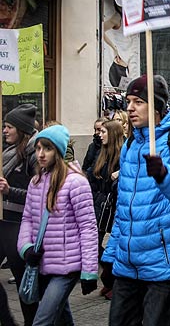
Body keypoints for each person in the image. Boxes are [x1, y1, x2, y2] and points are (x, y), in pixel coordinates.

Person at [102, 74, 170, 326]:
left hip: (167, 264)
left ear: (158, 106)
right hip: (129, 264)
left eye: (138, 101)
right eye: (129, 101)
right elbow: (125, 208)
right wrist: (110, 255)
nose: (129, 107)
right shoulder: (130, 145)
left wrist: (165, 175)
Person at [17, 125, 99, 325]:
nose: (41, 154)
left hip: (67, 266)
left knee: (42, 321)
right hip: (43, 263)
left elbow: (87, 227)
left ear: (59, 151)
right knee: (62, 319)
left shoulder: (76, 182)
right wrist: (26, 248)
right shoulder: (35, 181)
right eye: (38, 149)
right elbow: (27, 218)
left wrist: (89, 272)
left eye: (47, 148)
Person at [0, 104, 39, 325]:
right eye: (4, 126)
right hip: (3, 222)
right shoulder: (7, 152)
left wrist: (9, 191)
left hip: (20, 227)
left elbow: (40, 194)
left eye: (8, 127)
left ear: (21, 129)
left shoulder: (34, 154)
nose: (4, 131)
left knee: (26, 287)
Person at [86, 120, 123, 300]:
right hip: (98, 203)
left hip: (113, 207)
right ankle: (109, 279)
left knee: (111, 247)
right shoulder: (101, 152)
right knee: (95, 243)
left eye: (103, 131)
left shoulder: (122, 154)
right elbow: (91, 174)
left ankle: (111, 280)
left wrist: (120, 174)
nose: (99, 134)